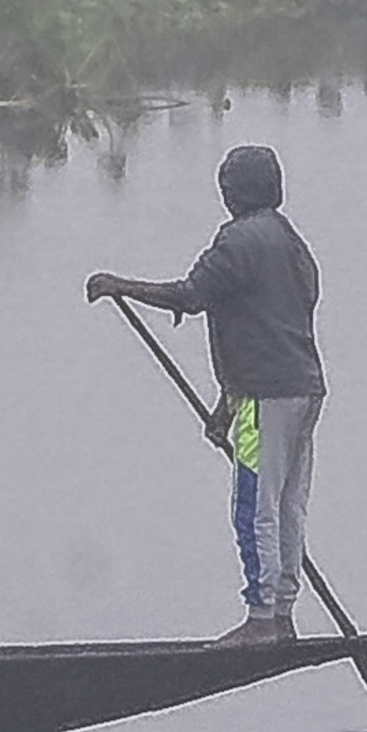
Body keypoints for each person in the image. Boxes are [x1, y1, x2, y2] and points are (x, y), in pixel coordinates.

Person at [89, 142, 324, 640]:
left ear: (236, 191)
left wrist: (120, 286)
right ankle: (283, 615)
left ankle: (261, 620)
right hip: (302, 394)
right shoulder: (293, 245)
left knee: (254, 504)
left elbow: (190, 296)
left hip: (264, 401)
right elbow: (262, 329)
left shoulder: (238, 241)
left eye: (226, 185)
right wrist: (225, 407)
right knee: (287, 506)